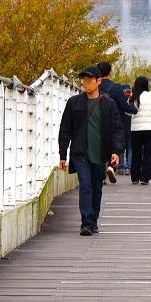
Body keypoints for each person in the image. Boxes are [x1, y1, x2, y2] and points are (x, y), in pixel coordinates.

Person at [58, 65, 123, 236]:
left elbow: (117, 129)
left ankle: (93, 220)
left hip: (100, 153)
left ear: (99, 81)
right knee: (85, 186)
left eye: (89, 79)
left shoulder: (109, 104)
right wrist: (62, 155)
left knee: (96, 187)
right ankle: (86, 223)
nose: (85, 83)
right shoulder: (74, 103)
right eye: (83, 79)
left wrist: (116, 152)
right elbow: (65, 129)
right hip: (80, 153)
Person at [97, 61, 137, 176]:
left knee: (99, 146)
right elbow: (124, 106)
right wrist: (135, 110)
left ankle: (101, 174)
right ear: (109, 73)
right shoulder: (115, 87)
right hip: (114, 121)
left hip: (97, 120)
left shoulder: (94, 87)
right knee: (115, 143)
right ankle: (111, 166)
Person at [128, 75, 151, 184]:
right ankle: (145, 178)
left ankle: (135, 177)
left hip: (136, 129)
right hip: (149, 128)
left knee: (136, 153)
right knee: (148, 152)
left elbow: (128, 111)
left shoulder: (133, 96)